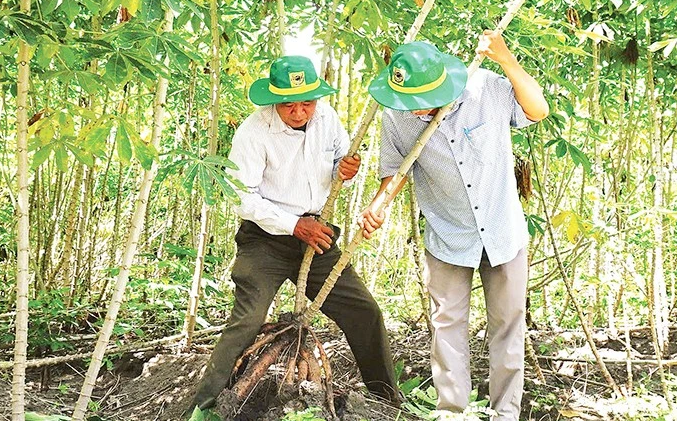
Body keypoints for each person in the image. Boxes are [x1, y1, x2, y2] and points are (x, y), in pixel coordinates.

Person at [189, 55, 399, 415]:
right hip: (266, 239)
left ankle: (387, 401)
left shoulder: (327, 118)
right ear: (274, 100)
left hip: (316, 234)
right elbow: (242, 197)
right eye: (289, 105)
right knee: (249, 319)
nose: (300, 112)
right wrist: (292, 224)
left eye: (307, 103)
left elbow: (337, 161)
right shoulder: (254, 133)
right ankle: (205, 406)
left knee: (363, 311)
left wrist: (344, 169)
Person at [359, 32, 549, 421]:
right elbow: (394, 171)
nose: (414, 111)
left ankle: (506, 413)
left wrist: (506, 59)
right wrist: (378, 206)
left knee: (507, 327)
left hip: (502, 231)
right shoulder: (397, 115)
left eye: (422, 103)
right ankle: (452, 411)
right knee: (447, 326)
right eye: (407, 104)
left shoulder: (486, 89)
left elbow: (538, 110)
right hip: (447, 235)